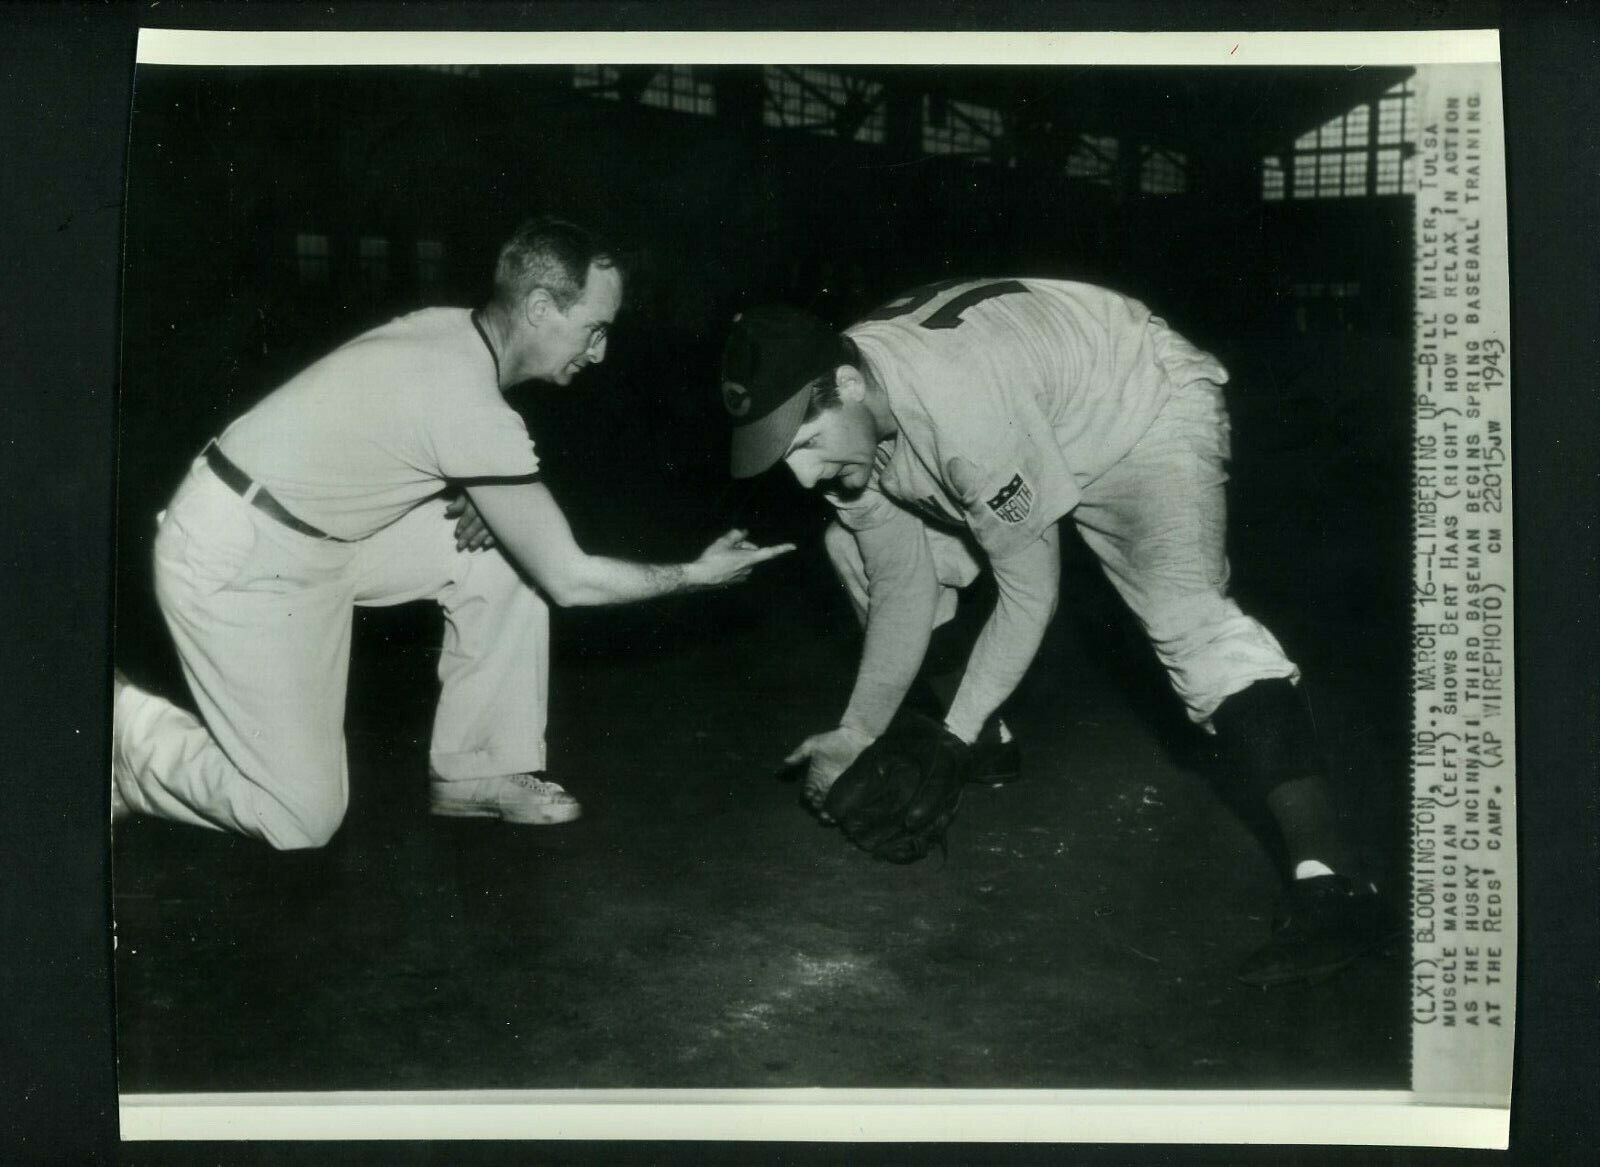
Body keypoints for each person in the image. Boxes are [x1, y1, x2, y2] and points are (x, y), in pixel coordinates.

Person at [719, 278, 1395, 986]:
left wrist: (946, 736)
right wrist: (857, 729)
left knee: (1186, 622)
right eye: (782, 455)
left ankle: (1339, 887)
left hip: (1133, 408)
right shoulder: (857, 408)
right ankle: (984, 741)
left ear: (849, 384)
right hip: (1019, 413)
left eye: (806, 441)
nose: (802, 475)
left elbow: (1029, 591)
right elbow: (902, 586)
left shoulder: (959, 406)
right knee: (850, 544)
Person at [112, 216, 792, 850]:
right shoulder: (472, 403)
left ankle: (477, 770)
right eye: (594, 328)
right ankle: (132, 742)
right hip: (236, 557)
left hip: (322, 535)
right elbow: (570, 579)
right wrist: (696, 575)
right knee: (300, 816)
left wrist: (473, 490)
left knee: (499, 553)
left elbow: (389, 425)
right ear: (540, 310)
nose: (602, 351)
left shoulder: (448, 331)